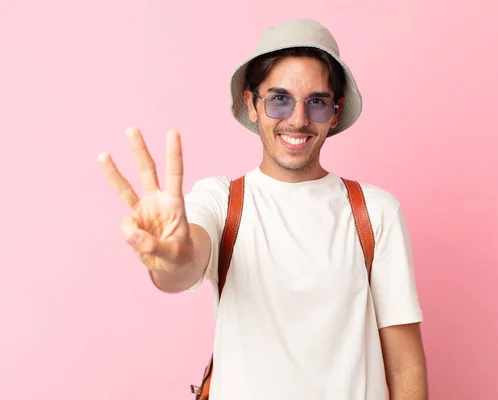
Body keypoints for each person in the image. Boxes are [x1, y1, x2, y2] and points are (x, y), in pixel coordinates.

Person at [97, 18, 428, 400]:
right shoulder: (221, 200)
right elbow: (182, 268)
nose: (298, 119)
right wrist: (170, 254)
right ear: (251, 105)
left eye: (316, 102)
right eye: (279, 99)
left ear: (334, 114)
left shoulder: (375, 211)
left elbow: (405, 365)